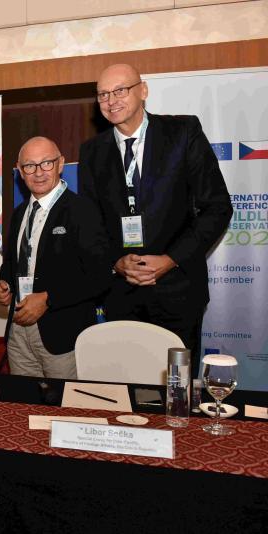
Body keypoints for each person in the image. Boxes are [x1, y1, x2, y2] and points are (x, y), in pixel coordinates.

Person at [79, 63, 233, 373]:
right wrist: (115, 262)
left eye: (120, 90)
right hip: (121, 294)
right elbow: (91, 224)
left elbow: (217, 207)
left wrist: (171, 259)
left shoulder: (182, 132)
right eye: (103, 94)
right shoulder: (92, 152)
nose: (111, 101)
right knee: (127, 388)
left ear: (143, 90)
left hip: (178, 290)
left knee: (177, 389)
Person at [0, 137, 110, 379]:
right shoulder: (19, 213)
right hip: (18, 332)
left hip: (63, 335)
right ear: (20, 171)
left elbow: (99, 277)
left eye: (46, 163)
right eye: (30, 166)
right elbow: (12, 262)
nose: (38, 172)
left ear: (60, 164)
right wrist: (4, 283)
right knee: (23, 399)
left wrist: (49, 298)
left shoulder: (82, 210)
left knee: (65, 401)